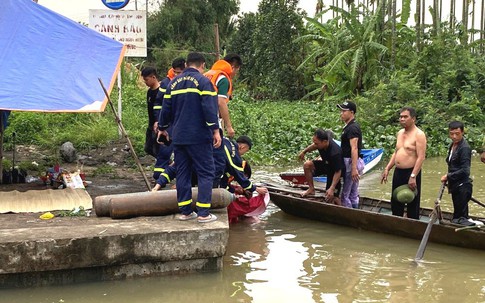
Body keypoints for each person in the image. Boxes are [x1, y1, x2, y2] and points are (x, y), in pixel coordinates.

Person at [158, 52, 221, 223]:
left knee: (182, 173)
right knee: (206, 172)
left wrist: (162, 128)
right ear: (203, 65)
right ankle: (203, 213)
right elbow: (209, 109)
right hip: (199, 136)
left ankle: (185, 212)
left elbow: (166, 109)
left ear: (186, 64)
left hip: (179, 137)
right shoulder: (204, 82)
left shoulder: (173, 83)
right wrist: (215, 130)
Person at [381, 107, 427, 219]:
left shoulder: (419, 135)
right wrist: (387, 168)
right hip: (398, 172)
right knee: (396, 200)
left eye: (405, 117)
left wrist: (413, 176)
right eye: (401, 117)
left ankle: (412, 224)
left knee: (412, 201)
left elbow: (421, 157)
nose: (402, 119)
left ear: (413, 119)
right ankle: (396, 222)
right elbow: (396, 152)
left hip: (411, 172)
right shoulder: (400, 133)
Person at [152, 58, 186, 181]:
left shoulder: (187, 82)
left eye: (179, 72)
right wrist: (158, 121)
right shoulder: (167, 83)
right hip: (169, 122)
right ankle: (159, 175)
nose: (176, 75)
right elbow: (158, 103)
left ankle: (172, 174)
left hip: (181, 122)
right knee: (165, 149)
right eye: (175, 72)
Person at [298, 129, 345, 205]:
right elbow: (313, 146)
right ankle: (311, 189)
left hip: (335, 172)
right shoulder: (320, 144)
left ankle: (342, 211)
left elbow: (338, 171)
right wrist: (304, 151)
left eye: (316, 143)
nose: (315, 145)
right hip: (326, 165)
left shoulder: (335, 153)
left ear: (325, 142)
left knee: (332, 197)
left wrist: (332, 188)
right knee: (307, 165)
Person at [441, 121, 474, 226]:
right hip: (456, 186)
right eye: (451, 133)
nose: (454, 136)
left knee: (460, 218)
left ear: (462, 132)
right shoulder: (453, 145)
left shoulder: (464, 148)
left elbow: (465, 171)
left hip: (462, 187)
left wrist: (448, 176)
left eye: (457, 134)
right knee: (457, 216)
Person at [204, 53, 242, 138]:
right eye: (236, 71)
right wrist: (229, 126)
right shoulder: (222, 79)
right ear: (232, 67)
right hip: (211, 121)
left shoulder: (207, 75)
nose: (235, 74)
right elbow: (221, 102)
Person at [337, 101, 364, 208]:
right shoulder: (350, 126)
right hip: (353, 162)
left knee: (345, 194)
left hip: (350, 162)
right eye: (341, 111)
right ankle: (355, 211)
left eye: (344, 111)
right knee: (353, 193)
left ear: (352, 112)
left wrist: (353, 168)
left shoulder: (352, 128)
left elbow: (354, 148)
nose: (341, 113)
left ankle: (348, 214)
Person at [141, 66, 163, 158]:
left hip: (158, 125)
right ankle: (168, 164)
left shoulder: (161, 92)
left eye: (146, 80)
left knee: (158, 150)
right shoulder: (149, 92)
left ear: (153, 77)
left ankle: (168, 167)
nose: (145, 82)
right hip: (151, 125)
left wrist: (159, 123)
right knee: (148, 148)